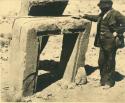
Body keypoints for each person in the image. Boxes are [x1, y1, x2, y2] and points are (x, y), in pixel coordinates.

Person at [78, 0, 125, 88]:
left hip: (111, 42)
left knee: (110, 62)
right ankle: (102, 81)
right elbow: (96, 18)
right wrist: (85, 16)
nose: (100, 7)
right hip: (102, 42)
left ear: (108, 6)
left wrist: (118, 32)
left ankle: (109, 82)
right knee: (101, 61)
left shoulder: (115, 13)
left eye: (103, 6)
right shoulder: (103, 13)